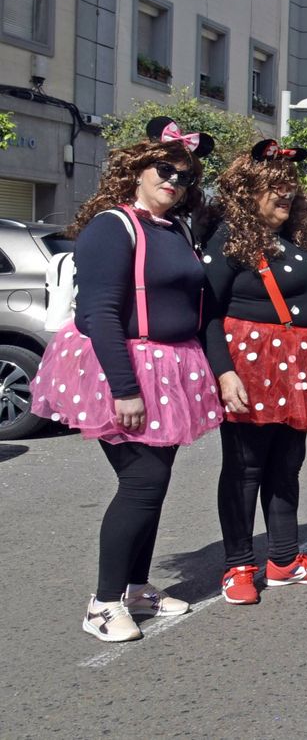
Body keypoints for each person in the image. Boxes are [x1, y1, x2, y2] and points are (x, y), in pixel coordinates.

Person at [33, 120, 221, 642]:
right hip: (125, 369)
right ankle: (102, 604)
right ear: (136, 169)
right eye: (165, 169)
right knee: (142, 483)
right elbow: (99, 314)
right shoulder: (112, 226)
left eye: (185, 176)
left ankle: (136, 589)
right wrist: (124, 389)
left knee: (152, 485)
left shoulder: (176, 229)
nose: (175, 181)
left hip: (171, 370)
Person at [202, 140, 307, 606]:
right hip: (253, 366)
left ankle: (285, 559)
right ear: (247, 192)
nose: (285, 193)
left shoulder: (292, 240)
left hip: (300, 367)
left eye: (290, 185)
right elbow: (208, 315)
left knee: (288, 464)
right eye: (274, 186)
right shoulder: (228, 239)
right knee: (245, 467)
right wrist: (224, 373)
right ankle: (238, 565)